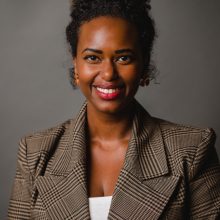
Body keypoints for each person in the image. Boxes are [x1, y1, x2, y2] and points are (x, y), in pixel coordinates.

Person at [8, 0, 220, 219]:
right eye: (93, 57)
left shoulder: (192, 150)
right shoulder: (34, 152)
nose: (108, 74)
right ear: (77, 66)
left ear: (144, 65)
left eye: (123, 58)